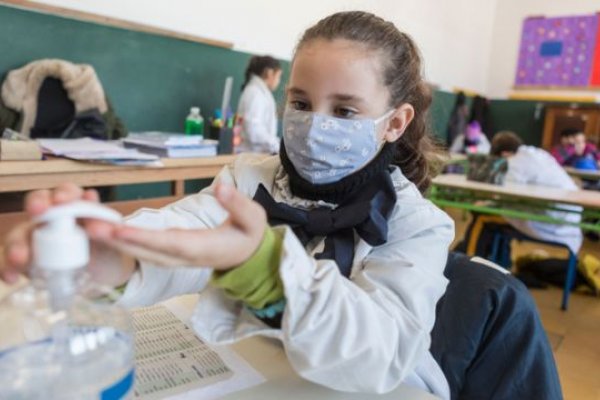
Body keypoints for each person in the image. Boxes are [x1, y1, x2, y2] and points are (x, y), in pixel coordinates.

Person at [2, 12, 560, 400]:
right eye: (300, 101)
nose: (315, 124)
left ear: (394, 122)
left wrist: (267, 272)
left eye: (345, 111)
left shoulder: (417, 223)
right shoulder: (248, 179)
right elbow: (186, 230)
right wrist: (115, 254)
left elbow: (377, 354)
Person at [456, 131, 583, 261]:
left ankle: (468, 261)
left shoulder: (515, 162)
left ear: (504, 154)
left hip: (552, 221)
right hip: (565, 219)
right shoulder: (535, 153)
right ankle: (500, 262)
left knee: (482, 215)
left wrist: (486, 202)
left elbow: (505, 195)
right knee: (495, 216)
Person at [236, 55, 282, 154]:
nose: (279, 81)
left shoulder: (260, 92)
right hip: (252, 155)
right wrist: (275, 144)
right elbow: (253, 130)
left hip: (257, 155)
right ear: (269, 73)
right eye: (278, 76)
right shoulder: (255, 92)